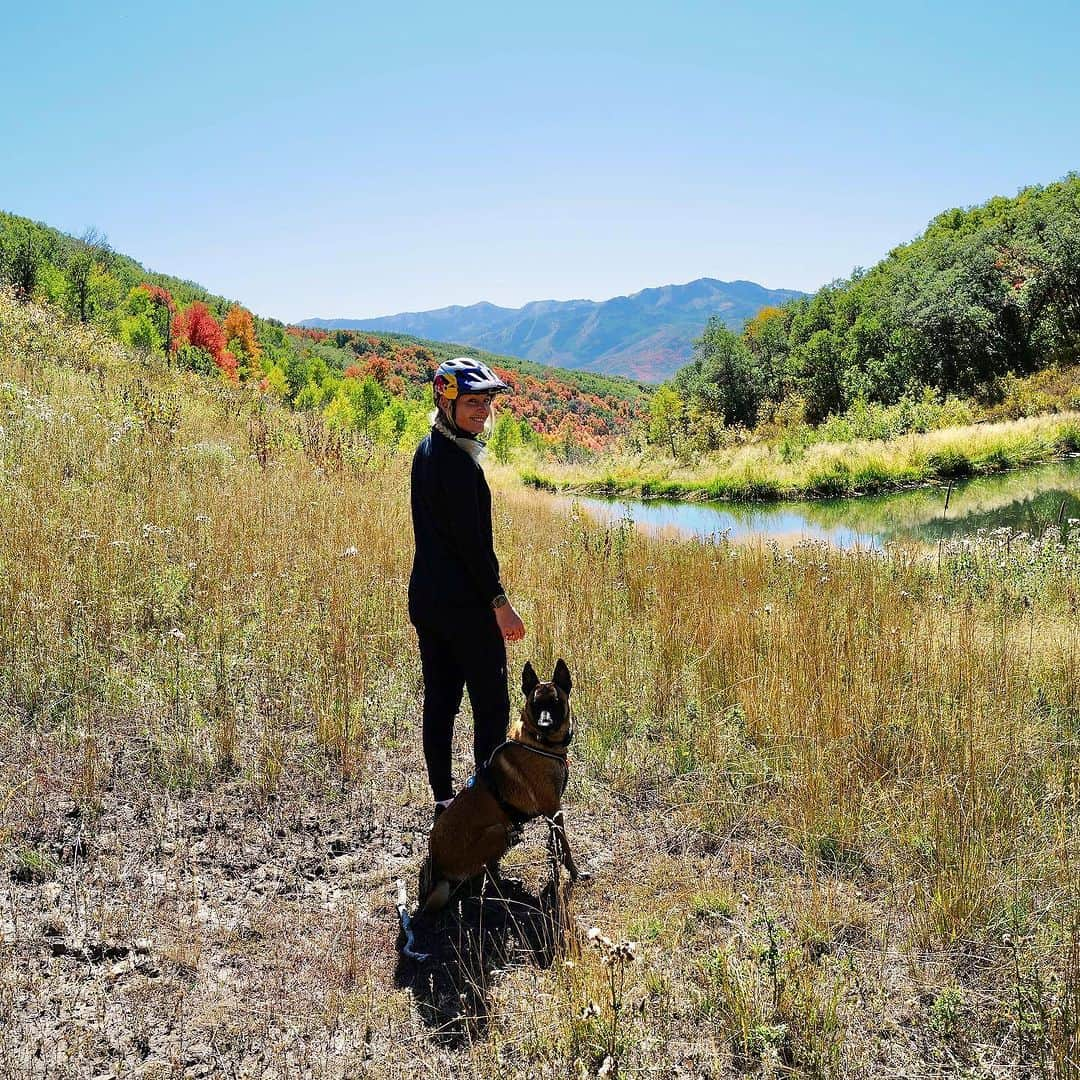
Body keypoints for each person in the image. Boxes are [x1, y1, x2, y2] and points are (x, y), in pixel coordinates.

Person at [408, 358, 527, 821]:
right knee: (490, 705)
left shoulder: (427, 450)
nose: (481, 410)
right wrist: (501, 605)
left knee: (440, 701)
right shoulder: (459, 466)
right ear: (445, 400)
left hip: (429, 601)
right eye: (471, 401)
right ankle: (486, 805)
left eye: (486, 401)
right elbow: (474, 549)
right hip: (465, 608)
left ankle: (444, 800)